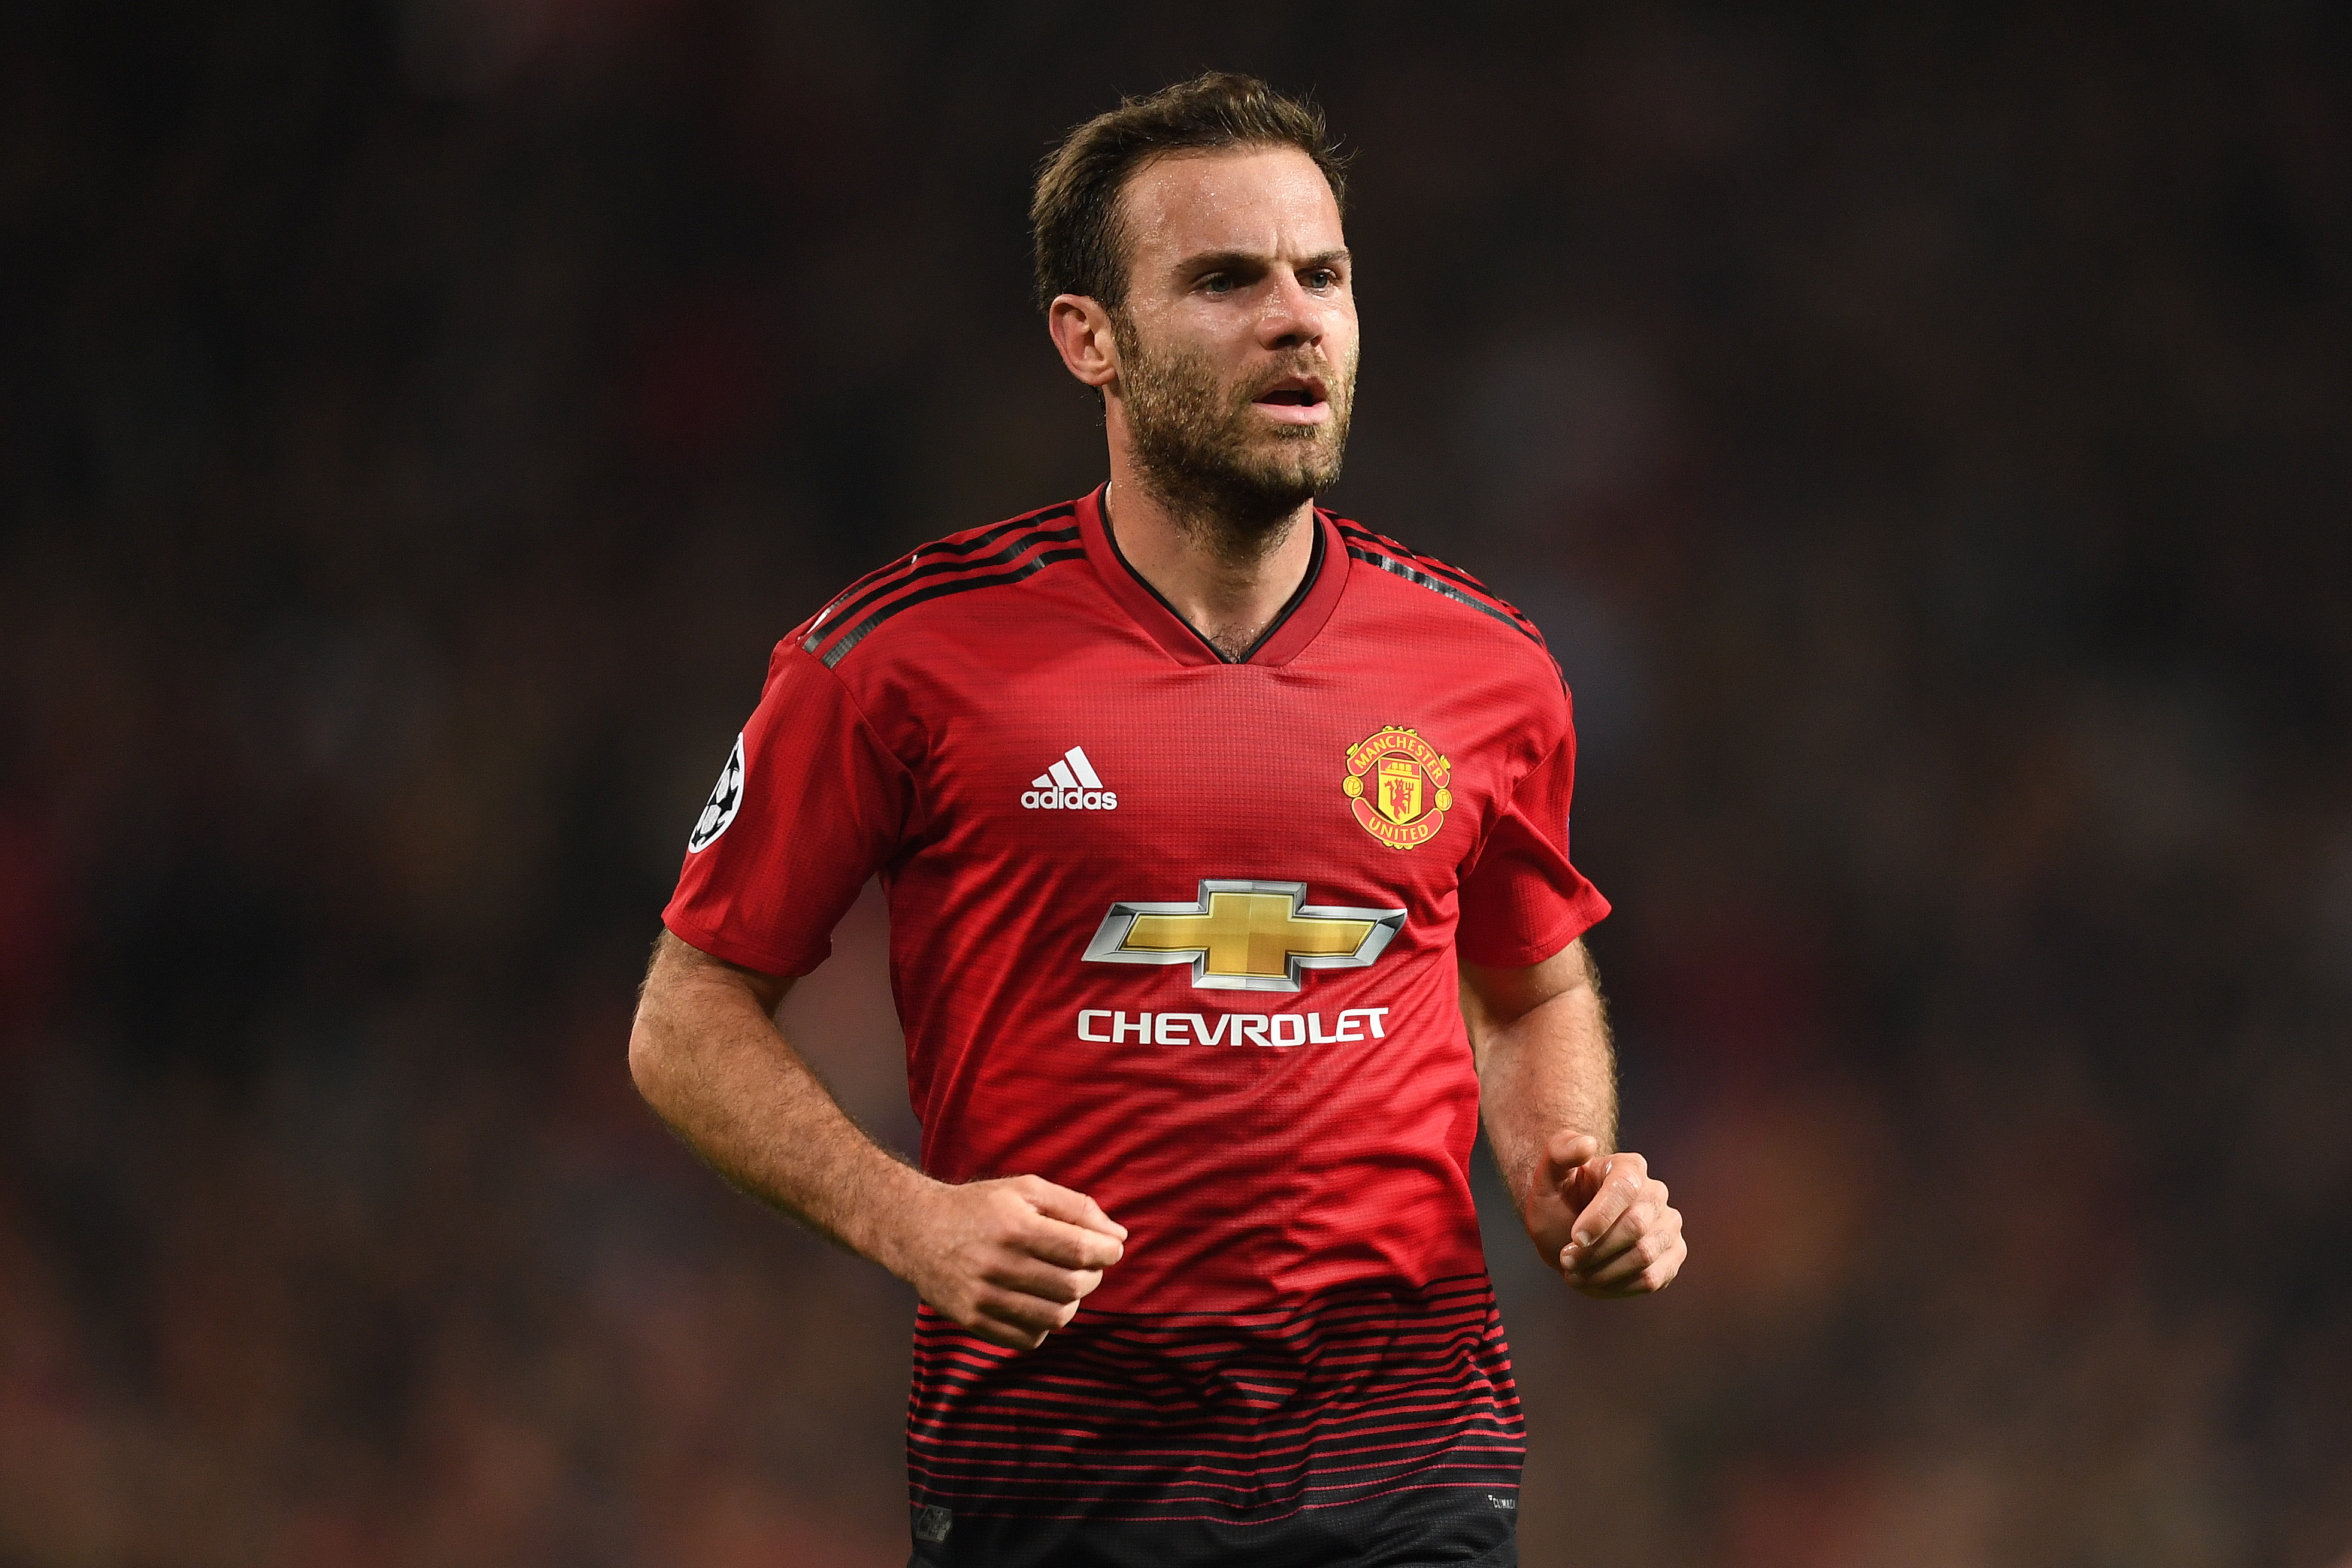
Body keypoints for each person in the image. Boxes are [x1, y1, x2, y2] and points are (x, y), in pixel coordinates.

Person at [629, 71, 1686, 1568]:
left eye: (1321, 274)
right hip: (1055, 1471)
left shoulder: (1488, 667)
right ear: (1089, 339)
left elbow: (1530, 982)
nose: (1295, 317)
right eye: (1224, 279)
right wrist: (910, 1220)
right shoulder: (894, 658)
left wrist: (1566, 1168)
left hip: (1404, 1463)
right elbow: (685, 1018)